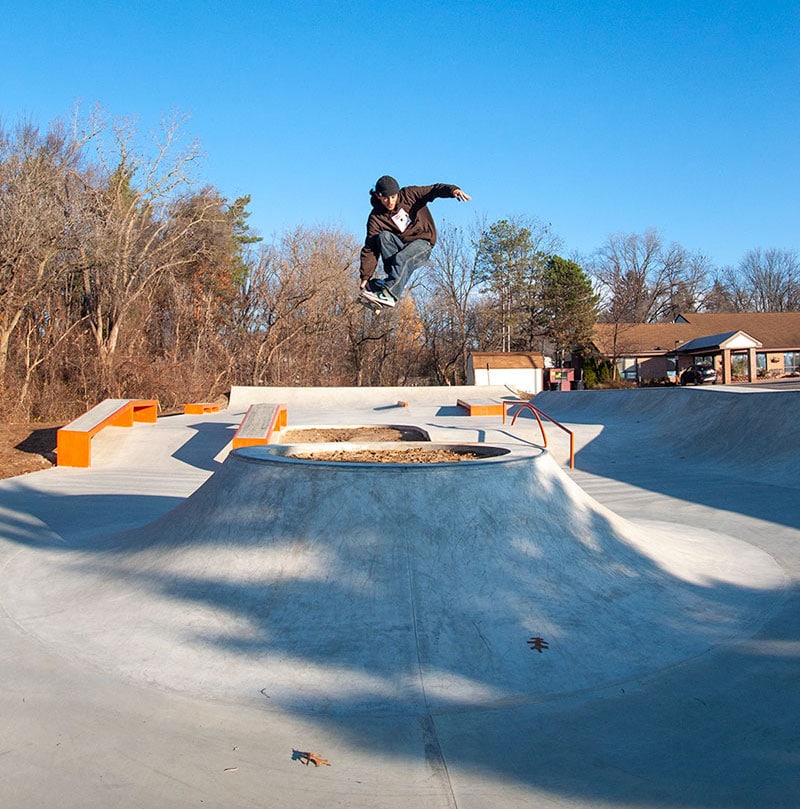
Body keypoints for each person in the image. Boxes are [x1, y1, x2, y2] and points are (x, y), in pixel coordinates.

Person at [358, 175, 471, 308]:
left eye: (393, 197)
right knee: (383, 237)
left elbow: (433, 190)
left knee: (403, 257)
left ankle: (389, 293)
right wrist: (365, 276)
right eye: (385, 198)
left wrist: (452, 191)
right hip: (400, 248)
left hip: (422, 243)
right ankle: (391, 282)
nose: (390, 202)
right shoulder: (375, 218)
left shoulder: (409, 195)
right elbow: (370, 248)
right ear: (378, 196)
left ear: (398, 193)